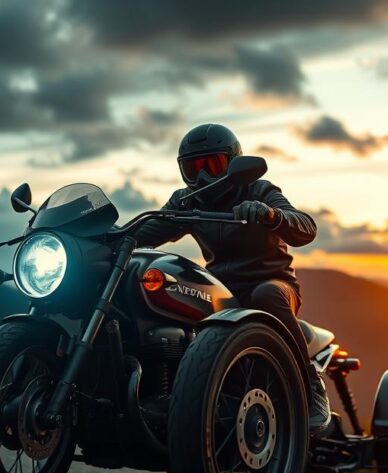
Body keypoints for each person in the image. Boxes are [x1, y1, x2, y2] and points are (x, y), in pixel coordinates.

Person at [133, 123, 331, 433]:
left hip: (274, 285)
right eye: (193, 168)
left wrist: (271, 215)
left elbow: (306, 227)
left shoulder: (259, 190)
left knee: (267, 295)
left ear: (233, 164)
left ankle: (308, 384)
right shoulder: (187, 201)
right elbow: (144, 233)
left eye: (212, 166)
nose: (202, 177)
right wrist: (103, 237)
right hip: (222, 293)